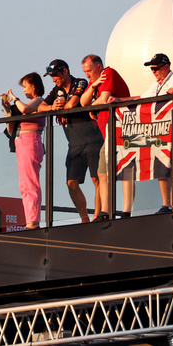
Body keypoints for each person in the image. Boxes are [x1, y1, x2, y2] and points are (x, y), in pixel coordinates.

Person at [45, 59, 103, 224]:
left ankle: (98, 216)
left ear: (65, 71)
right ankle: (84, 219)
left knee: (96, 179)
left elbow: (73, 103)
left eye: (55, 75)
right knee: (71, 182)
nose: (53, 79)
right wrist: (53, 108)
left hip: (92, 138)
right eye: (51, 76)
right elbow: (40, 107)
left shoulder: (81, 81)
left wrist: (62, 109)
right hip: (74, 143)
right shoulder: (56, 90)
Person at [137, 53, 173, 214]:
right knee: (161, 167)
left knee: (170, 166)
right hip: (158, 133)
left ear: (166, 67)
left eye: (155, 68)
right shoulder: (156, 85)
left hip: (172, 131)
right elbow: (141, 98)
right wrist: (119, 100)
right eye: (152, 69)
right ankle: (166, 204)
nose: (153, 72)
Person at [81, 53, 133, 220]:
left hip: (120, 128)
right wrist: (93, 85)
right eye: (84, 72)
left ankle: (126, 210)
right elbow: (83, 102)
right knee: (102, 172)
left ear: (98, 67)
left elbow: (104, 99)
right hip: (107, 134)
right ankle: (106, 211)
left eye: (89, 71)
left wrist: (91, 106)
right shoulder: (95, 81)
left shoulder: (108, 73)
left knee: (126, 171)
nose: (87, 75)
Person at [3, 71, 49, 229]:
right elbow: (12, 125)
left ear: (34, 85)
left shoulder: (38, 101)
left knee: (30, 183)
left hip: (30, 142)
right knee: (24, 184)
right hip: (22, 142)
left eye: (25, 86)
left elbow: (25, 110)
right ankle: (30, 218)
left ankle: (33, 220)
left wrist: (15, 99)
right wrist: (7, 107)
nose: (23, 90)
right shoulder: (33, 103)